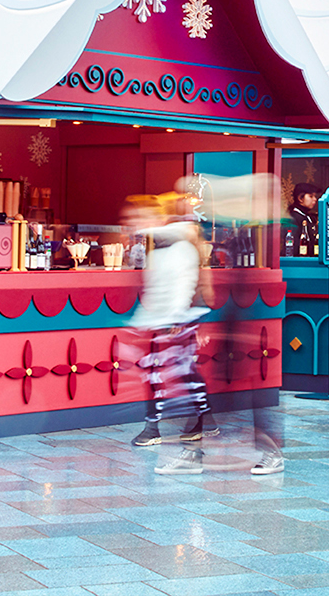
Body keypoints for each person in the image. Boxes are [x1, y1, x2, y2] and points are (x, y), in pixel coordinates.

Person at [125, 193, 212, 473]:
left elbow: (183, 281)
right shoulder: (159, 246)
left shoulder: (177, 243)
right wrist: (144, 318)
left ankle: (194, 420)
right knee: (157, 371)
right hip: (161, 320)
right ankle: (182, 422)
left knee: (179, 371)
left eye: (139, 216)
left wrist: (176, 314)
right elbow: (155, 288)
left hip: (177, 319)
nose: (134, 222)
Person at [287, 182, 320, 257]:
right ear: (300, 198)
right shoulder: (295, 217)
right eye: (311, 196)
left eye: (315, 196)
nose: (315, 199)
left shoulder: (307, 216)